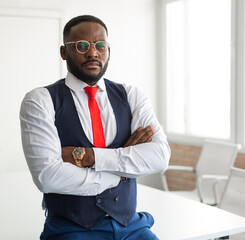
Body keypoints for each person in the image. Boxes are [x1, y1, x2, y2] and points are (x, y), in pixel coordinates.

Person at [20, 15, 170, 240]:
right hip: (71, 228)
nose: (92, 53)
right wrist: (120, 174)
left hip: (131, 225)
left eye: (100, 45)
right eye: (81, 46)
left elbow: (160, 157)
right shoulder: (41, 100)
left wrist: (89, 157)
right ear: (64, 52)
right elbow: (47, 176)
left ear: (108, 50)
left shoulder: (132, 96)